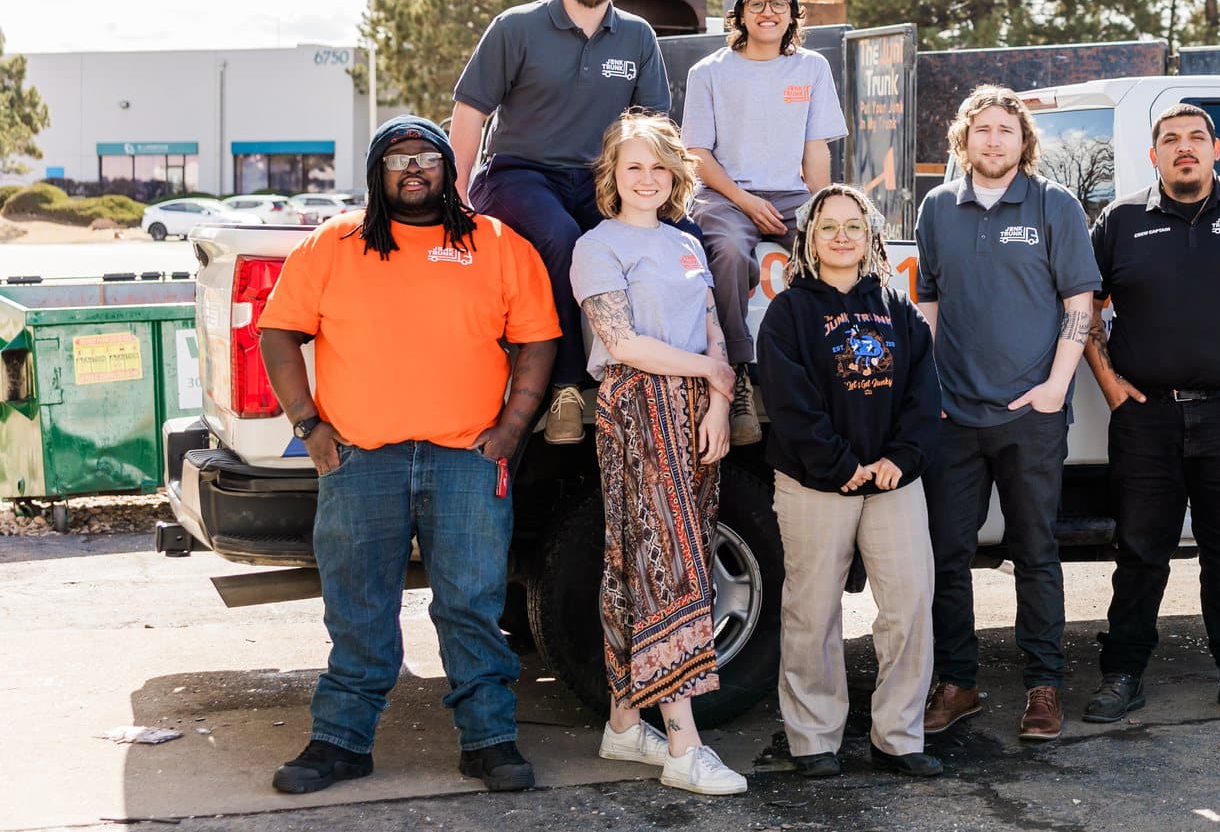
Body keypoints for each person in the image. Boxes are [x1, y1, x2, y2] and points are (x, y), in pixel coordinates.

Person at [258, 116, 559, 795]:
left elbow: (538, 339)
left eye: (427, 157)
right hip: (360, 460)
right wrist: (308, 425)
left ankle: (490, 739)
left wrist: (512, 427)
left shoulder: (496, 244)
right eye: (398, 159)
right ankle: (341, 741)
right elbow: (278, 333)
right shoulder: (332, 245)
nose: (414, 168)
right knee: (358, 604)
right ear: (376, 173)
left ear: (448, 169)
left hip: (467, 460)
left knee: (472, 604)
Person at [1081, 106, 1220, 724]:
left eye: (1195, 140)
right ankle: (1122, 674)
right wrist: (1109, 384)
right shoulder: (1120, 220)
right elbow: (1086, 310)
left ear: (1215, 152)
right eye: (1170, 140)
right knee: (1140, 554)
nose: (1184, 149)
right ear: (1153, 156)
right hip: (1145, 419)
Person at [916, 86, 1102, 744]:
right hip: (954, 415)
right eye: (982, 130)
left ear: (1025, 143)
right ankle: (958, 683)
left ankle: (1043, 687)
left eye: (1006, 130)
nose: (994, 141)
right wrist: (927, 389)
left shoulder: (1055, 206)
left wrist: (1055, 386)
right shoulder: (937, 208)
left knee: (1035, 550)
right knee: (946, 554)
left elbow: (1080, 299)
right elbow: (930, 303)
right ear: (963, 141)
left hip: (1030, 413)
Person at [572, 112, 747, 794]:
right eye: (632, 167)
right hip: (639, 404)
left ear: (675, 175)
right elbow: (624, 345)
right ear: (612, 176)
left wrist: (721, 402)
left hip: (696, 408)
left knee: (669, 557)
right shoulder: (597, 245)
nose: (646, 179)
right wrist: (710, 377)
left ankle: (623, 725)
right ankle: (683, 744)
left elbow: (713, 334)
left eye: (658, 168)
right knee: (659, 563)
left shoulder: (686, 245)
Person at [452, 0, 672, 443]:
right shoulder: (516, 27)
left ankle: (649, 371)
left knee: (646, 240)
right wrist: (455, 196)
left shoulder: (638, 37)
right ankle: (568, 385)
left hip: (599, 179)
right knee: (565, 239)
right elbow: (469, 113)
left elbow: (656, 126)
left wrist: (661, 201)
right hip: (518, 172)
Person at [755, 184, 942, 778]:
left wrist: (900, 459)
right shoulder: (788, 312)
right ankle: (813, 740)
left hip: (892, 483)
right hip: (816, 483)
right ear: (809, 238)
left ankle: (899, 737)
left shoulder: (897, 308)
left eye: (853, 226)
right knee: (812, 611)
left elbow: (923, 392)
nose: (841, 236)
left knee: (910, 603)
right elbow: (789, 403)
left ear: (871, 238)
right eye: (828, 226)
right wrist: (839, 465)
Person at [682, 0, 846, 443]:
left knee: (838, 250)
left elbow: (816, 150)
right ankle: (737, 375)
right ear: (740, 15)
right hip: (725, 195)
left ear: (793, 14)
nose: (768, 12)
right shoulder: (709, 72)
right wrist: (746, 202)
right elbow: (698, 156)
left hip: (791, 194)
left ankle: (834, 367)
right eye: (757, 4)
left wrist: (822, 212)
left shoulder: (812, 68)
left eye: (779, 4)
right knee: (730, 252)